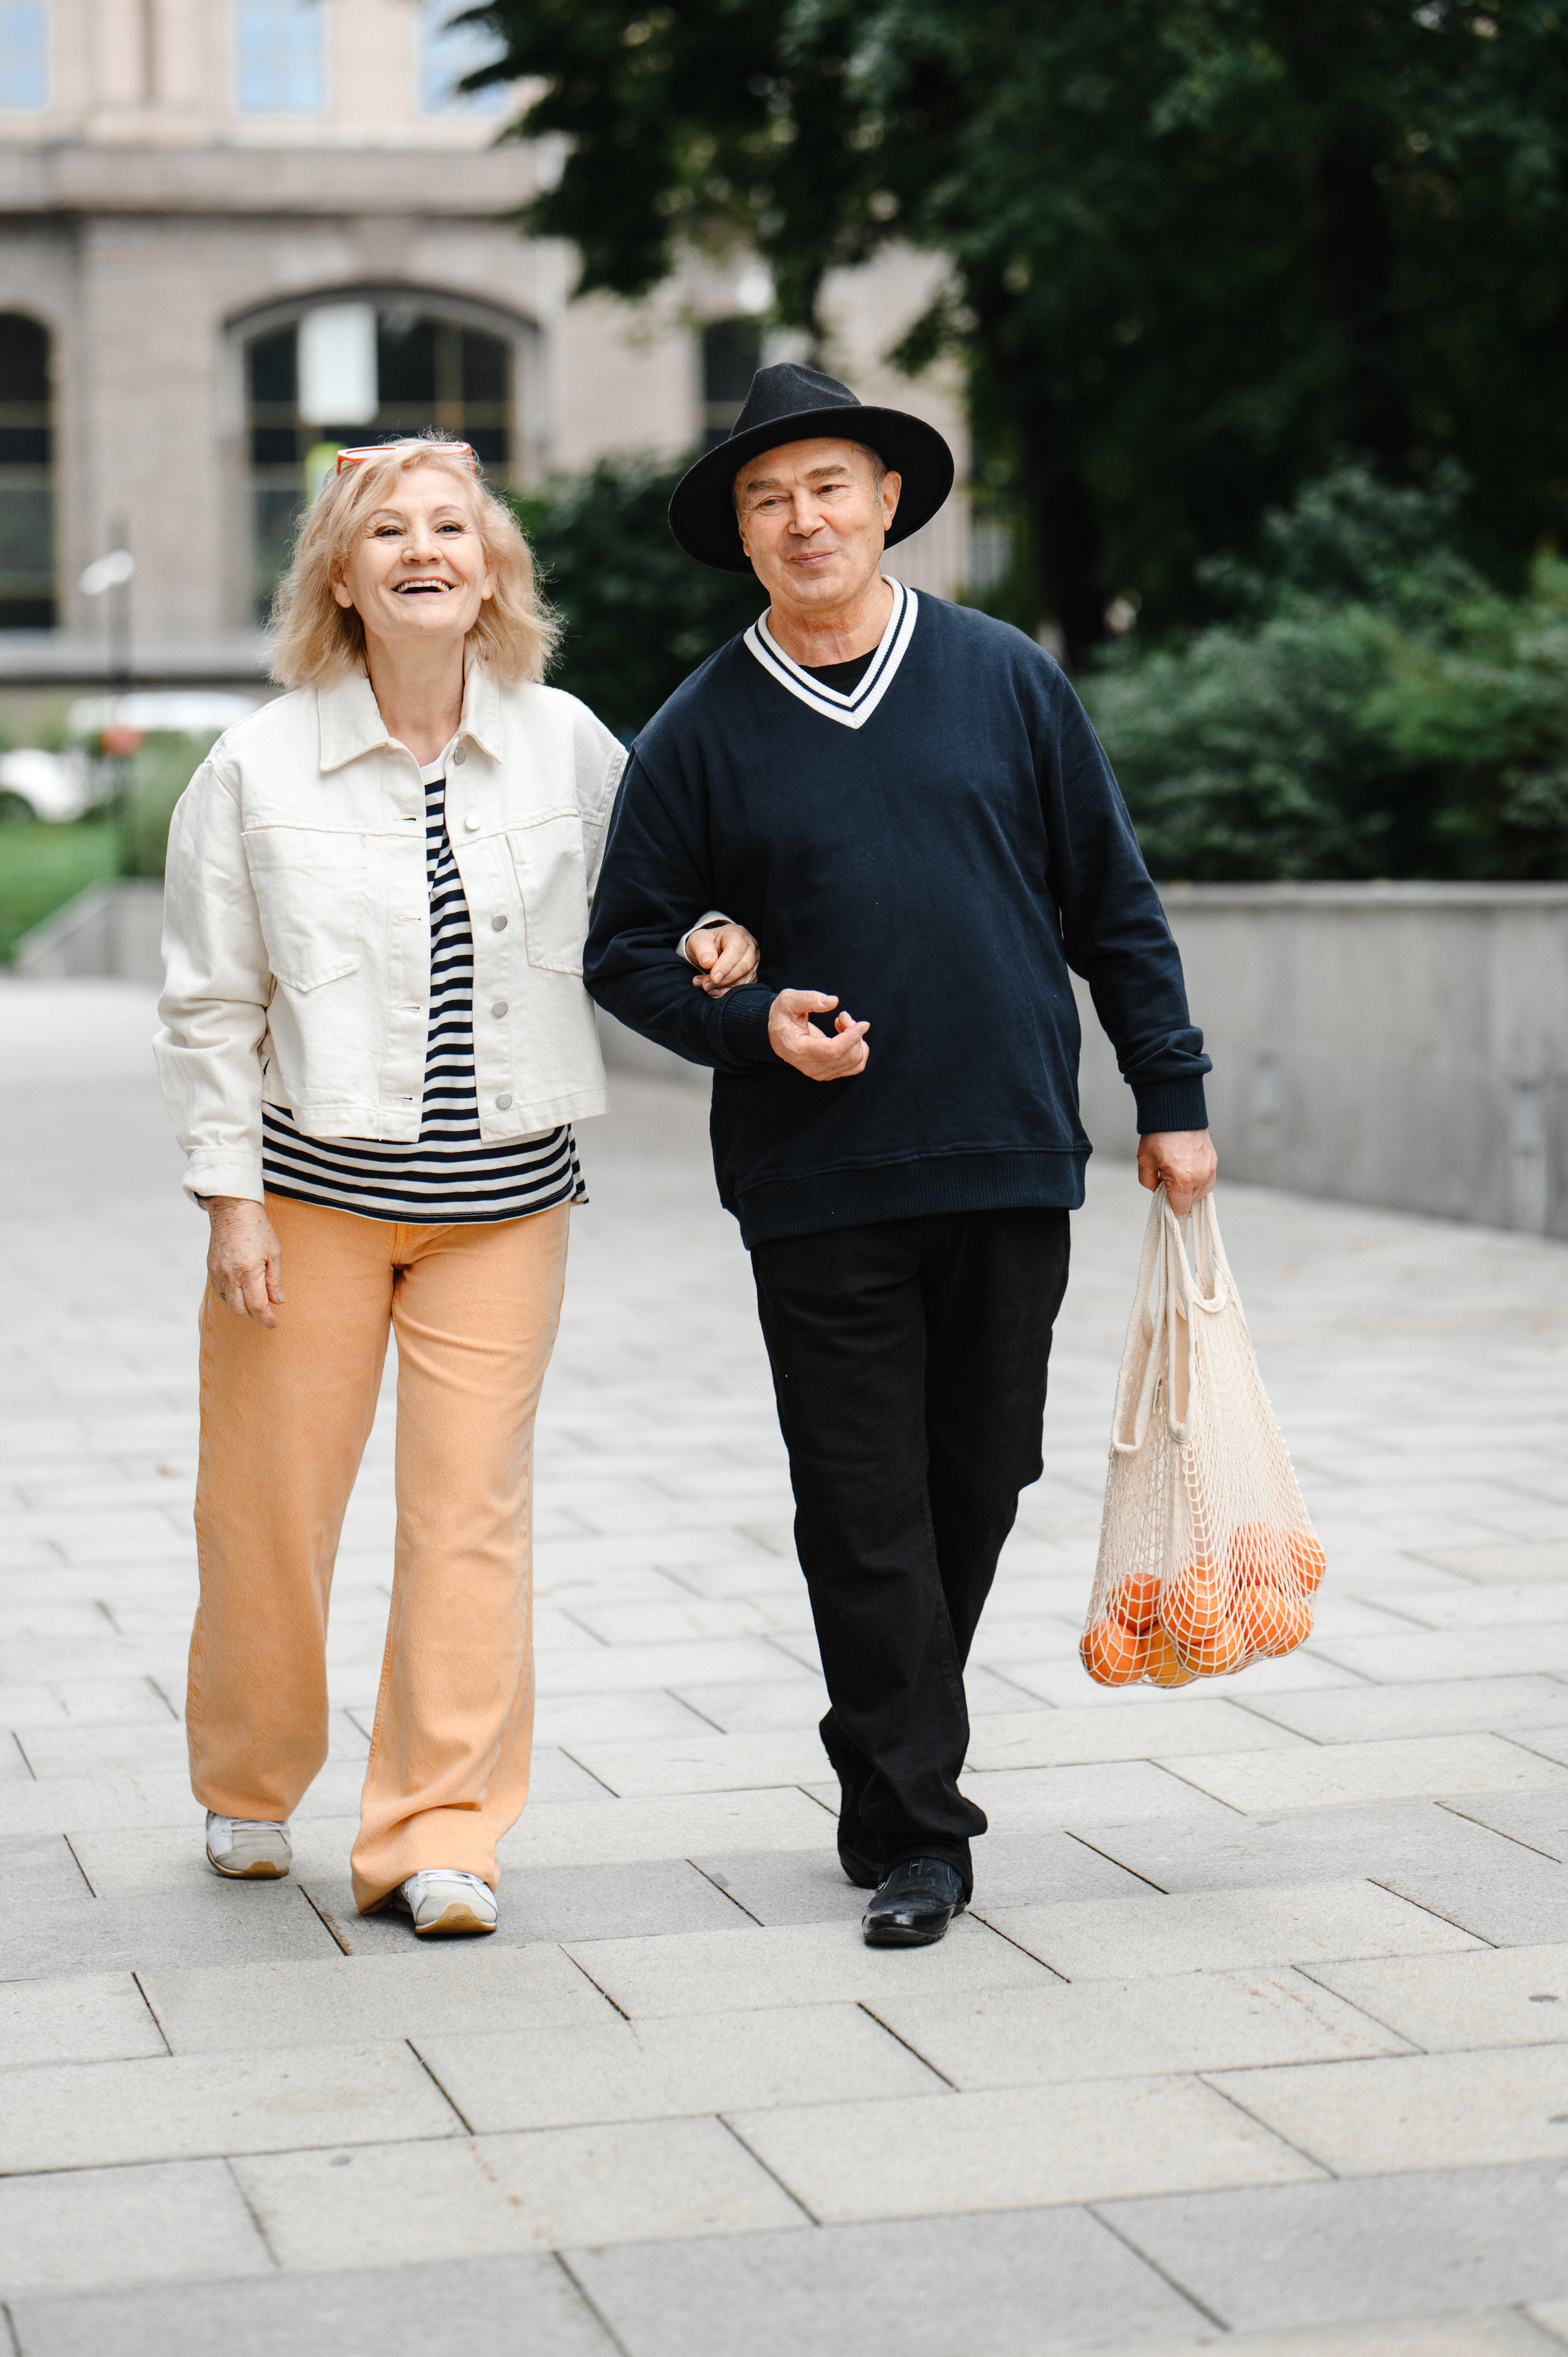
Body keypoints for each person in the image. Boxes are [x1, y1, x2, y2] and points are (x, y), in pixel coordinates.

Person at [584, 365, 1216, 1948]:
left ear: (885, 502)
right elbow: (625, 952)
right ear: (740, 532)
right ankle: (925, 1831)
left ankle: (882, 1770)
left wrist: (1173, 1095)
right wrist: (750, 1027)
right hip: (818, 1181)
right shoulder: (697, 733)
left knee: (980, 1478)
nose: (801, 518)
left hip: (1009, 1149)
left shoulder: (1005, 679)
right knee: (861, 1505)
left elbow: (1111, 906)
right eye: (765, 496)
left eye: (827, 487)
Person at [156, 433, 756, 1935]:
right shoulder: (256, 761)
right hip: (307, 1205)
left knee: (468, 1516)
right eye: (387, 534)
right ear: (340, 580)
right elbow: (210, 1002)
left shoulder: (566, 741)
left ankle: (441, 1832)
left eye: (450, 528)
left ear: (490, 567)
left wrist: (715, 941)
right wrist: (231, 1200)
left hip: (507, 1204)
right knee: (268, 1512)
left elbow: (658, 902)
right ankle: (248, 1773)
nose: (423, 551)